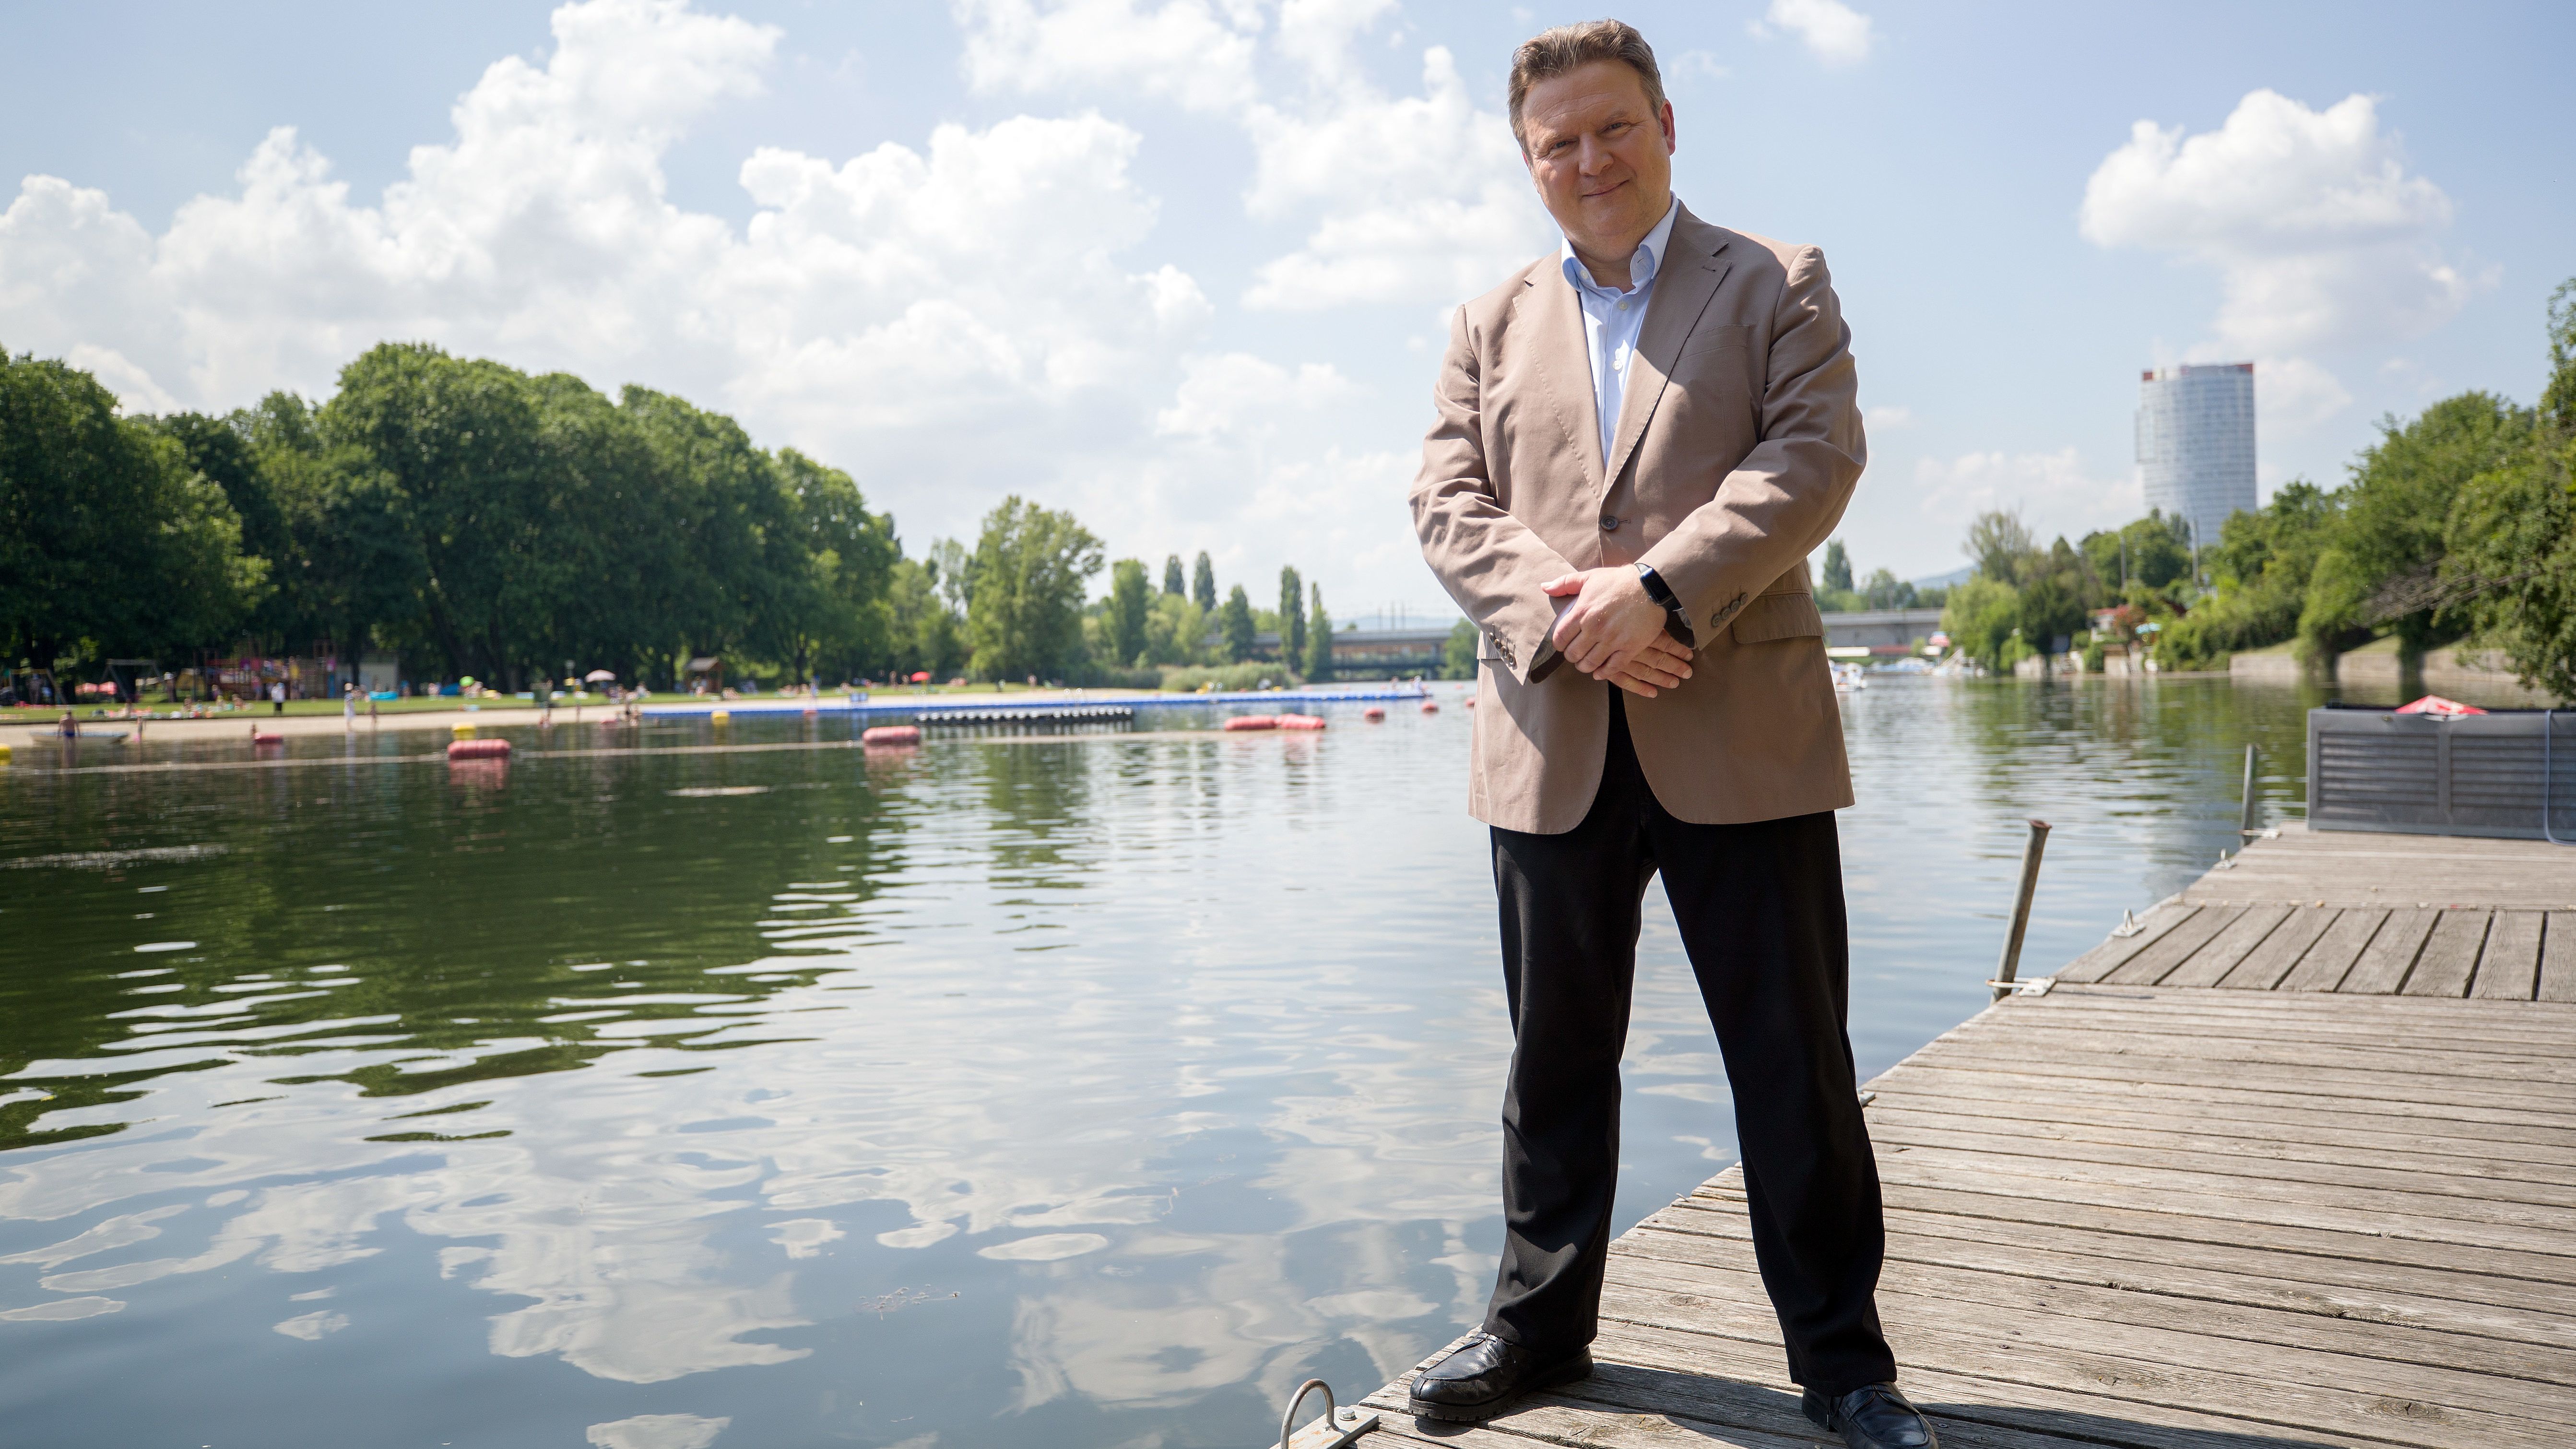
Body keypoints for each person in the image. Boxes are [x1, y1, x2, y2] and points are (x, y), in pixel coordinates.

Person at [1406, 23, 1931, 1449]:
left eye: (1610, 128)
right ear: (1528, 161)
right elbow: (1447, 503)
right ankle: (1537, 1329)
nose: (1586, 160)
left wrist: (1658, 590)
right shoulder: (1482, 322)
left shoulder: (1772, 280)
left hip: (1739, 725)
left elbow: (1812, 458)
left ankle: (1843, 1364)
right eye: (1555, 142)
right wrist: (1572, 614)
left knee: (1792, 1060)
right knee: (1552, 1062)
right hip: (1548, 735)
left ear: (1666, 123)